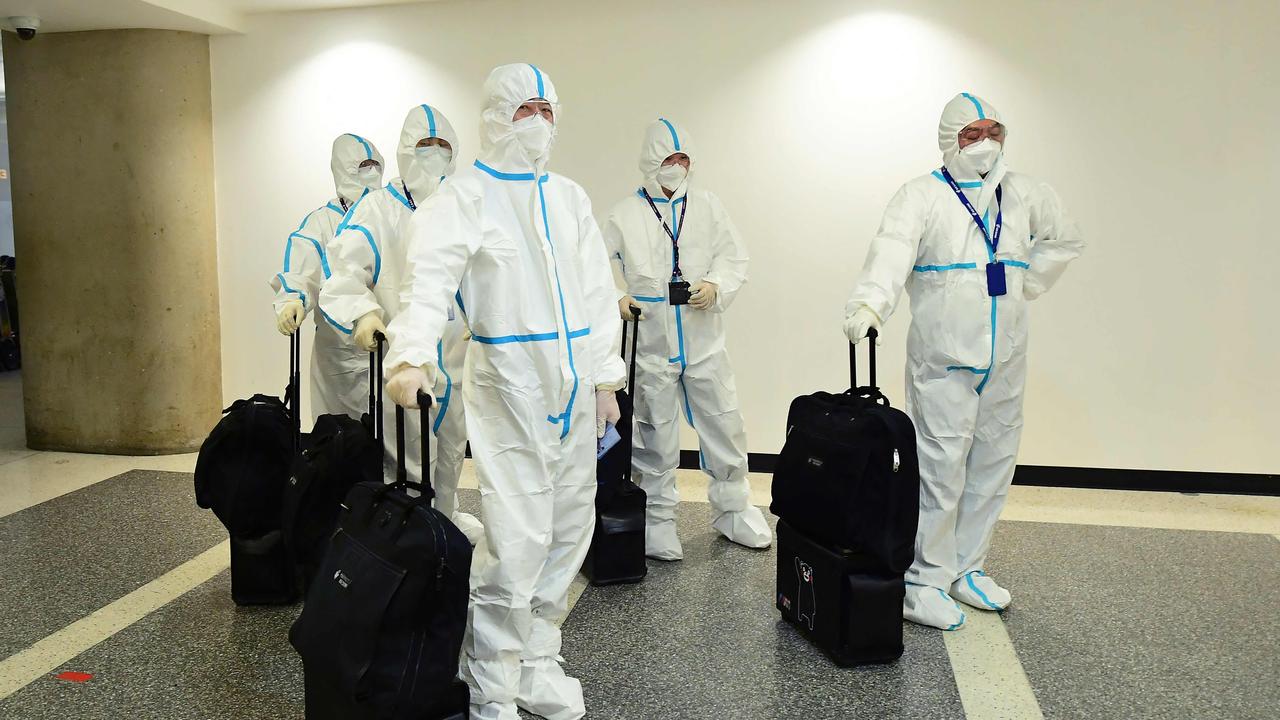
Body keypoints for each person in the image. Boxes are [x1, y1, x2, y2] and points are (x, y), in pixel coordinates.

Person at [382, 63, 624, 720]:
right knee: (517, 539)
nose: (539, 123)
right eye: (526, 110)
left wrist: (606, 379)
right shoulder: (463, 198)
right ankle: (492, 682)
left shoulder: (569, 197)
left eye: (548, 111)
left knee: (569, 527)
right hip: (509, 385)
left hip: (573, 390)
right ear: (495, 117)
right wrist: (410, 354)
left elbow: (599, 296)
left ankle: (538, 658)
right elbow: (427, 281)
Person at [844, 93, 1084, 630]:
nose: (986, 144)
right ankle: (923, 579)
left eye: (993, 132)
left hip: (1007, 355)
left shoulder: (1024, 193)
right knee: (939, 468)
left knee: (994, 463)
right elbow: (890, 250)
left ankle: (967, 567)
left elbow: (1066, 239)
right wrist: (868, 303)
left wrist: (1028, 284)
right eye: (972, 135)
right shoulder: (921, 196)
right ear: (949, 139)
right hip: (944, 358)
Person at [603, 118, 771, 561]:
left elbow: (734, 256)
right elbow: (592, 268)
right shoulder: (624, 214)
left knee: (724, 425)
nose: (676, 167)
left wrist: (716, 285)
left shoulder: (709, 206)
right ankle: (657, 521)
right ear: (649, 162)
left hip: (704, 344)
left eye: (682, 160)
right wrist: (617, 296)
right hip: (652, 349)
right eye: (667, 159)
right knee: (654, 436)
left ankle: (733, 508)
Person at [318, 105, 482, 544]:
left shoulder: (468, 202)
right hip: (407, 357)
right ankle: (409, 537)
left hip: (462, 356)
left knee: (450, 450)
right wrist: (364, 313)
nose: (433, 155)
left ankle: (442, 526)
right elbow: (341, 276)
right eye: (423, 146)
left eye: (442, 146)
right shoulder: (377, 209)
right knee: (406, 456)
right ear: (405, 152)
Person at [271, 133, 385, 422]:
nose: (370, 173)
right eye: (361, 166)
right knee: (337, 434)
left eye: (374, 166)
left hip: (385, 337)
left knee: (392, 434)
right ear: (342, 169)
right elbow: (301, 270)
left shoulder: (389, 213)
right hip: (338, 349)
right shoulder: (321, 222)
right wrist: (292, 301)